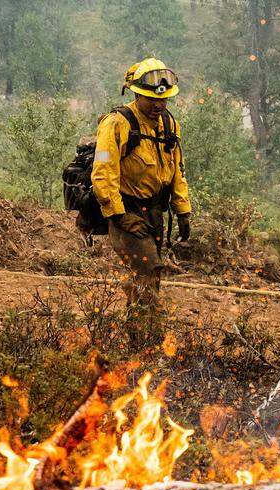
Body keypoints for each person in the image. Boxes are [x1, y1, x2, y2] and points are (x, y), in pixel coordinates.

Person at [91, 58, 192, 339]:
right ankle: (154, 341)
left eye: (163, 100)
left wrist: (183, 211)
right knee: (147, 270)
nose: (158, 105)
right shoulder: (117, 124)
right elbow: (103, 172)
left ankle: (136, 339)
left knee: (149, 277)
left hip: (155, 212)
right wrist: (120, 216)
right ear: (136, 93)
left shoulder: (170, 125)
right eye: (150, 99)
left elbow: (176, 170)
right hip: (128, 211)